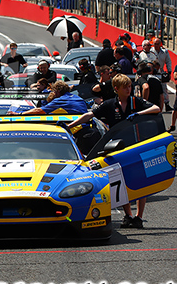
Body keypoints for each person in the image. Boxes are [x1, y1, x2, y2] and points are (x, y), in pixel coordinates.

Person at [68, 74, 161, 229]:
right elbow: (90, 115)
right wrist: (69, 126)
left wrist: (139, 114)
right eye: (125, 87)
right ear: (116, 89)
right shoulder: (109, 104)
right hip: (117, 147)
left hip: (136, 145)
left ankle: (139, 216)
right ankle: (128, 215)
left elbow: (156, 108)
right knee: (121, 181)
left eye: (130, 86)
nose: (128, 89)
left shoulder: (135, 101)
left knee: (140, 180)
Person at [22, 81, 88, 115]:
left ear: (58, 91)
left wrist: (20, 114)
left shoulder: (61, 100)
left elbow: (39, 111)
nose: (54, 93)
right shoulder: (78, 98)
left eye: (54, 91)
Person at [151, 38, 174, 111]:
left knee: (164, 88)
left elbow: (168, 62)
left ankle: (166, 104)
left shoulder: (164, 52)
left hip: (161, 71)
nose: (156, 45)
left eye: (158, 44)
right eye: (155, 44)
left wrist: (169, 72)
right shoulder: (150, 51)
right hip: (152, 72)